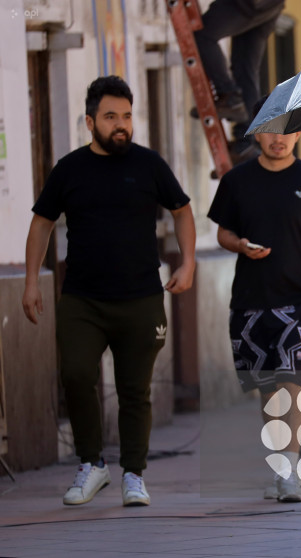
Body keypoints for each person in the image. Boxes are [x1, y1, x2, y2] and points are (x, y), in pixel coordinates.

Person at [22, 76, 196, 507]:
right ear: (90, 121)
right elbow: (42, 222)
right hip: (82, 299)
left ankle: (133, 475)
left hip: (140, 298)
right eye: (111, 117)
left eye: (126, 116)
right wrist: (30, 281)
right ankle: (91, 464)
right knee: (77, 375)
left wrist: (189, 261)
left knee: (134, 389)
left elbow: (182, 210)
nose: (121, 125)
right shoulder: (70, 169)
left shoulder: (149, 165)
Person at [207, 95, 301, 502]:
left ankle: (290, 473)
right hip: (249, 300)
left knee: (288, 379)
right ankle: (281, 463)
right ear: (257, 133)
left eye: (288, 131)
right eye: (271, 131)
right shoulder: (236, 181)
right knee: (267, 391)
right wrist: (241, 244)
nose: (279, 140)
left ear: (298, 133)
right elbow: (221, 233)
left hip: (300, 300)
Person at [194, 0, 286, 156]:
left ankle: (230, 96)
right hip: (271, 6)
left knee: (203, 36)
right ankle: (246, 143)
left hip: (249, 4)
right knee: (245, 71)